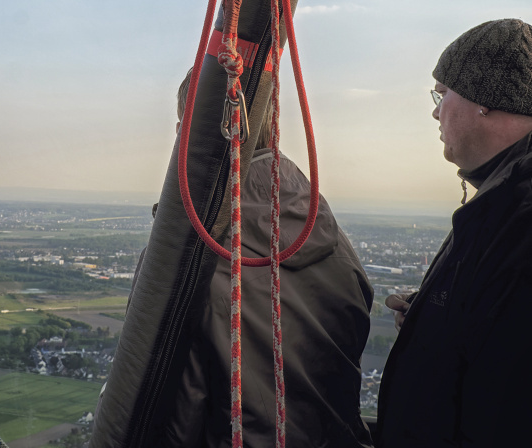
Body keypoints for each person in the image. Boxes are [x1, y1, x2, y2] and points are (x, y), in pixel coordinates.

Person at [155, 70, 374, 448]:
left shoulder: (188, 260)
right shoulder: (333, 240)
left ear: (183, 134)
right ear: (271, 124)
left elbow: (173, 422)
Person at [376, 18, 532, 447]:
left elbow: (508, 401)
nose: (435, 109)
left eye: (443, 93)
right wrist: (432, 317)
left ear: (485, 100)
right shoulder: (505, 200)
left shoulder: (519, 214)